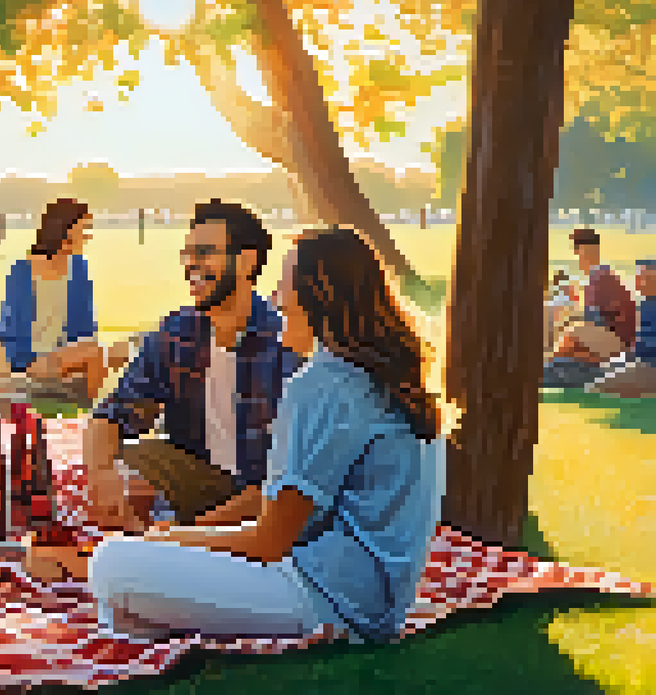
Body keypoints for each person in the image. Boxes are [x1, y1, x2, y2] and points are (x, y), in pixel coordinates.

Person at [34, 226, 445, 645]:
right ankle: (150, 617)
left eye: (285, 287)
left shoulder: (323, 383)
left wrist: (172, 537)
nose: (277, 300)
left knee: (111, 563)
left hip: (323, 597)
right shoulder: (397, 378)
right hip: (377, 603)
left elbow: (268, 540)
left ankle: (149, 613)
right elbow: (306, 515)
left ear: (316, 299)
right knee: (126, 595)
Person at [82, 199, 305, 531]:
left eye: (204, 253)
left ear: (246, 262)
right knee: (129, 460)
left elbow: (295, 480)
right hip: (199, 482)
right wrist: (101, 473)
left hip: (267, 500)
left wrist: (187, 534)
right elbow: (113, 415)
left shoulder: (287, 343)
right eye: (187, 255)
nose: (191, 265)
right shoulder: (176, 333)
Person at [0, 197, 112, 408]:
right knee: (96, 351)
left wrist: (75, 358)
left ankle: (82, 412)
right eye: (83, 229)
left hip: (64, 358)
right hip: (29, 361)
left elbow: (87, 328)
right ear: (65, 230)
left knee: (108, 350)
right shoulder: (23, 270)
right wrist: (3, 380)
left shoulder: (79, 269)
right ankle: (83, 409)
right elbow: (4, 331)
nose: (87, 236)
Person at [544, 228, 637, 388]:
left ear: (589, 250)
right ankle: (554, 369)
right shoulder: (597, 277)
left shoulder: (601, 277)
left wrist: (569, 325)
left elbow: (596, 320)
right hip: (610, 339)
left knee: (572, 332)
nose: (577, 254)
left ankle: (549, 367)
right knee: (571, 339)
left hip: (620, 342)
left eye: (579, 248)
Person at [587, 258, 656, 397]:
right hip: (640, 363)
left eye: (642, 278)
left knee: (596, 386)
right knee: (601, 371)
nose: (637, 284)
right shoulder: (645, 304)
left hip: (649, 368)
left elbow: (647, 349)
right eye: (637, 278)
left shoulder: (649, 306)